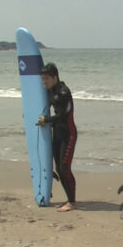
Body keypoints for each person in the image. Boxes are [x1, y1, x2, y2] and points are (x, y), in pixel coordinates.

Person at [38, 63, 77, 212]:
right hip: (57, 133)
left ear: (55, 77)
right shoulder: (49, 90)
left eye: (46, 79)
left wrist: (46, 121)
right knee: (59, 169)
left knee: (64, 168)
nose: (44, 82)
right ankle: (69, 199)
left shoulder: (64, 92)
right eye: (42, 80)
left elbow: (63, 115)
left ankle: (72, 202)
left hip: (69, 134)